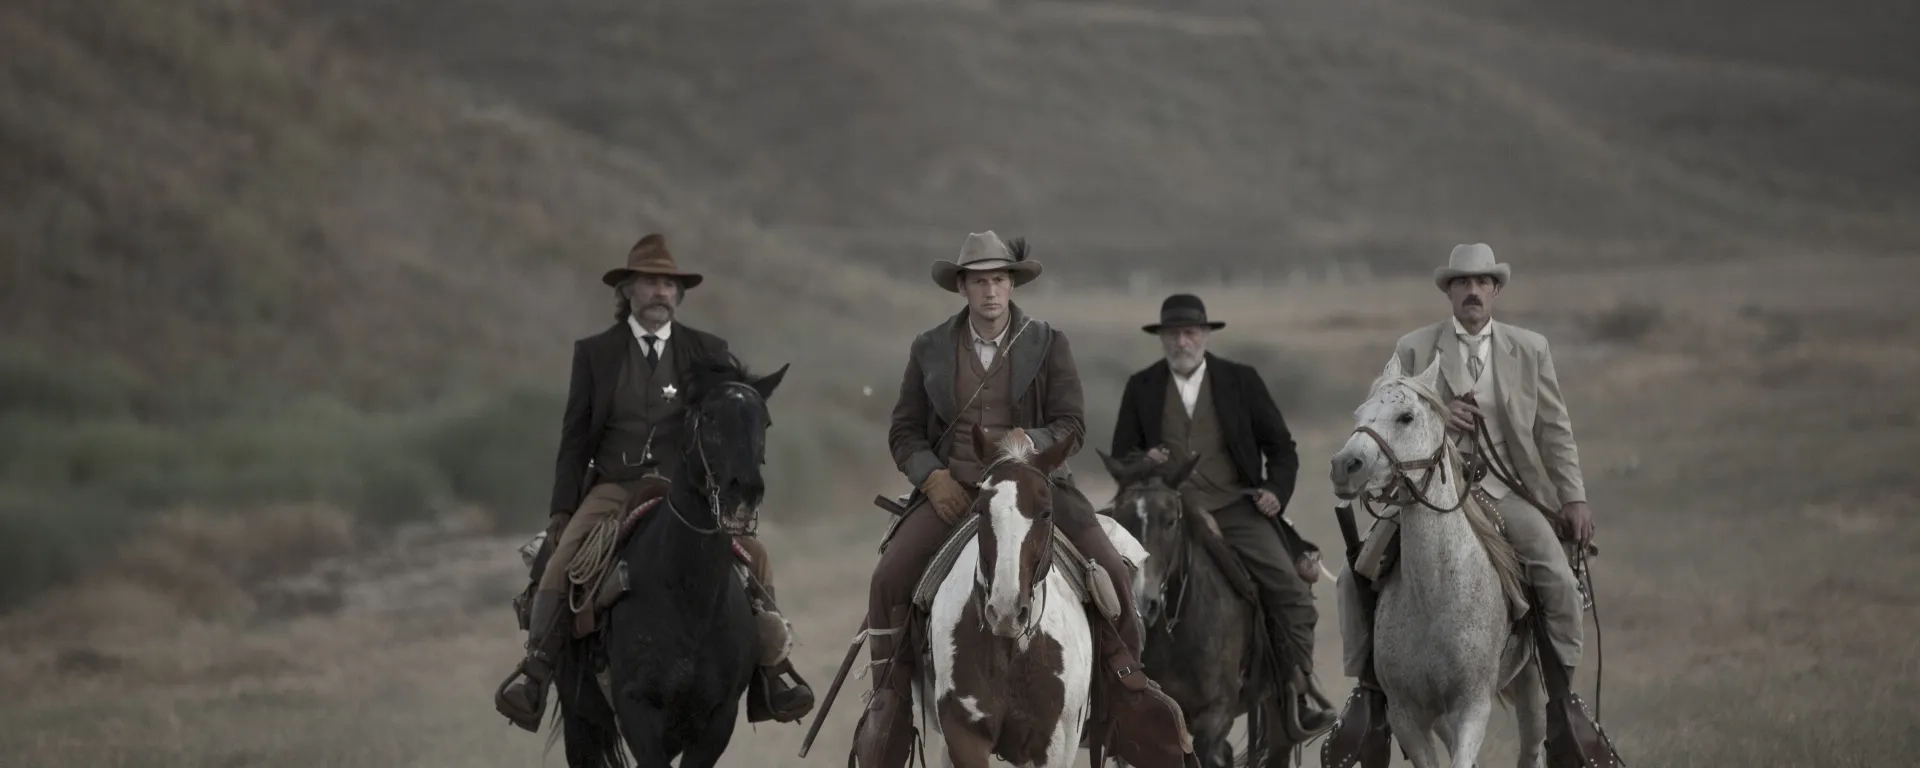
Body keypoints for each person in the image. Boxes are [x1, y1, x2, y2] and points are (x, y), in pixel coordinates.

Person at [851, 231, 1189, 768]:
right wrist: (932, 478)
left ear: (1012, 284)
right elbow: (904, 432)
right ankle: (887, 710)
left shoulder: (1048, 341)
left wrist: (1030, 447)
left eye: (1000, 280)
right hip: (955, 491)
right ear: (962, 286)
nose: (991, 291)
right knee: (887, 577)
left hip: (1036, 485)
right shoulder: (929, 347)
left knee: (1112, 574)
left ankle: (1127, 692)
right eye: (980, 281)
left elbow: (1072, 423)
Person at [493, 233, 814, 732]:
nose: (660, 292)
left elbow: (728, 425)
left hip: (688, 489)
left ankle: (772, 672)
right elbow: (575, 438)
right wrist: (561, 509)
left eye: (668, 283)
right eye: (649, 283)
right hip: (614, 487)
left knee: (758, 557)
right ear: (628, 291)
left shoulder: (707, 350)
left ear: (679, 294)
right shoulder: (595, 354)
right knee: (559, 561)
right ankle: (534, 670)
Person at [1329, 242, 1595, 743]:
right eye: (1461, 282)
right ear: (1449, 292)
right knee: (1352, 576)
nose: (1472, 291)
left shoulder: (1530, 349)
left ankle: (1563, 707)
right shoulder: (1414, 347)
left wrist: (1573, 497)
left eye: (1481, 282)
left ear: (1495, 290)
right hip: (1430, 489)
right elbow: (1384, 408)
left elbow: (1553, 430)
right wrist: (1438, 415)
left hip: (1507, 493)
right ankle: (1369, 695)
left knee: (1558, 580)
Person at [1110, 293, 1337, 735]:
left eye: (1190, 332)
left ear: (1206, 335)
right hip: (1163, 509)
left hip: (1234, 506)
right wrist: (1144, 462)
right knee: (1100, 581)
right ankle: (1102, 694)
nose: (1182, 341)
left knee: (1290, 588)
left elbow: (1282, 448)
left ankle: (1297, 691)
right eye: (1173, 334)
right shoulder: (1141, 386)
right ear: (1161, 339)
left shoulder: (1241, 381)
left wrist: (1275, 490)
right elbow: (1122, 458)